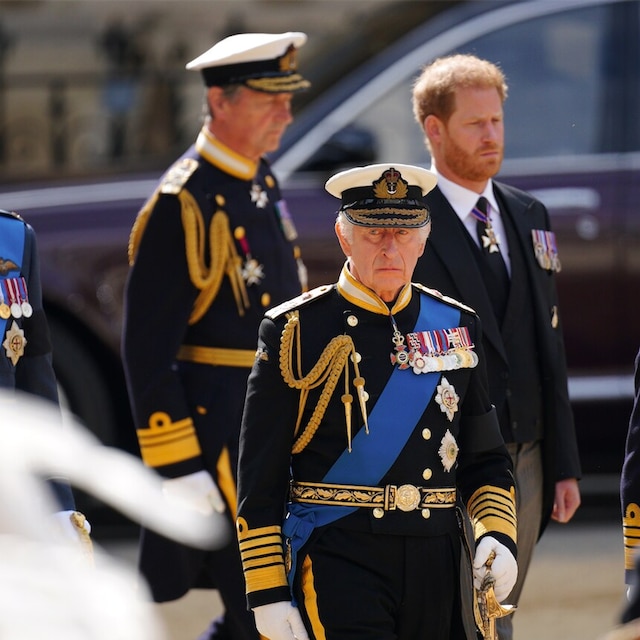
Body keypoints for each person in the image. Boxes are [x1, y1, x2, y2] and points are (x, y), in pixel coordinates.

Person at [236, 163, 518, 640]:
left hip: (437, 558)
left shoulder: (456, 325)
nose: (390, 247)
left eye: (404, 233)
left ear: (423, 240)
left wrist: (497, 533)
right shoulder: (296, 331)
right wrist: (267, 591)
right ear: (344, 238)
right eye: (374, 233)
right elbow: (259, 474)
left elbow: (484, 457)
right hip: (340, 557)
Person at [121, 32, 310, 640]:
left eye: (288, 99)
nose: (285, 112)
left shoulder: (260, 179)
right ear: (220, 101)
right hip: (224, 440)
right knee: (264, 612)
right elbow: (147, 354)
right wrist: (179, 465)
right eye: (269, 100)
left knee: (267, 611)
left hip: (279, 425)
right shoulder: (185, 201)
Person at [410, 53, 582, 638]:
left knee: (498, 614)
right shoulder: (408, 223)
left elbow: (546, 342)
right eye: (475, 124)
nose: (492, 136)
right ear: (434, 130)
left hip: (529, 453)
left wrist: (564, 464)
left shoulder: (527, 213)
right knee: (461, 619)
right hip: (452, 456)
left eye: (497, 121)